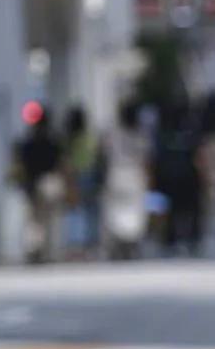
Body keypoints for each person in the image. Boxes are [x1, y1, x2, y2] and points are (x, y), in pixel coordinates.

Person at [153, 100, 206, 255]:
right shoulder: (190, 132)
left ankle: (170, 238)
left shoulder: (162, 134)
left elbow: (156, 157)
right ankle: (192, 237)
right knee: (193, 209)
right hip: (188, 176)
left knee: (170, 209)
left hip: (168, 177)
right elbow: (199, 156)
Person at [101, 100, 151, 258]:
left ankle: (119, 242)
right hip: (134, 174)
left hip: (116, 173)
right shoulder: (141, 135)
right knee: (134, 210)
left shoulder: (112, 134)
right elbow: (146, 159)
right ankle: (130, 242)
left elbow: (104, 155)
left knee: (115, 210)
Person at [16, 109, 63, 263]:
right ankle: (47, 251)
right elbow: (59, 163)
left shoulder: (28, 142)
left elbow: (23, 166)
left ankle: (35, 251)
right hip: (49, 182)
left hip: (36, 183)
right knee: (49, 219)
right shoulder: (53, 141)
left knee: (35, 221)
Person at [61, 105, 103, 258]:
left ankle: (75, 244)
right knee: (90, 212)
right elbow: (98, 157)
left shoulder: (69, 140)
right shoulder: (90, 138)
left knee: (75, 211)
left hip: (75, 176)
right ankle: (91, 244)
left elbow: (66, 161)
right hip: (89, 176)